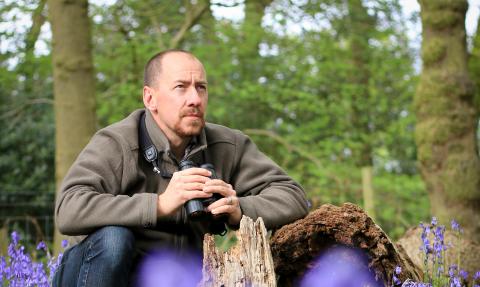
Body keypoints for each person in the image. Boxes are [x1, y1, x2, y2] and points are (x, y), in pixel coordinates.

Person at [53, 49, 309, 287]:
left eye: (201, 88)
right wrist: (159, 205)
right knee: (113, 239)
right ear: (149, 98)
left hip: (179, 278)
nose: (195, 99)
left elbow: (293, 196)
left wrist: (240, 209)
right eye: (181, 88)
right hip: (97, 276)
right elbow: (69, 208)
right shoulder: (118, 143)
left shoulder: (227, 145)